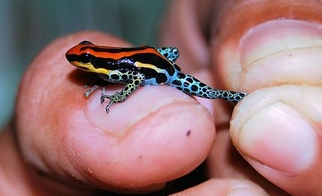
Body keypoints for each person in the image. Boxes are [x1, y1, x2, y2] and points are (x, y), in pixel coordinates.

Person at [1, 0, 321, 195]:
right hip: (157, 62)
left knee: (211, 93)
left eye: (82, 60)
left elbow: (136, 76)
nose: (78, 62)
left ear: (94, 61)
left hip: (166, 73)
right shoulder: (103, 70)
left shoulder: (114, 70)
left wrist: (117, 98)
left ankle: (239, 96)